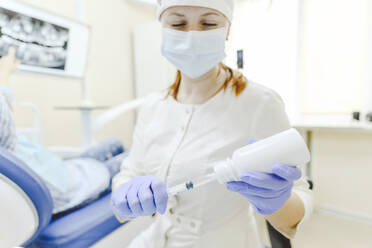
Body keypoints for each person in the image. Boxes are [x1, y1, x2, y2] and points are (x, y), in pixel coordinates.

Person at [111, 0, 313, 247]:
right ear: (162, 27)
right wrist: (124, 193)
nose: (192, 36)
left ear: (227, 30)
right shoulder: (153, 106)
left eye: (208, 23)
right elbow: (130, 172)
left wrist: (278, 201)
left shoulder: (259, 103)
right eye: (178, 23)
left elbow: (300, 199)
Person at [0, 48, 127, 215]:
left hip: (59, 169)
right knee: (131, 158)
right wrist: (4, 71)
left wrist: (5, 72)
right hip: (65, 187)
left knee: (114, 143)